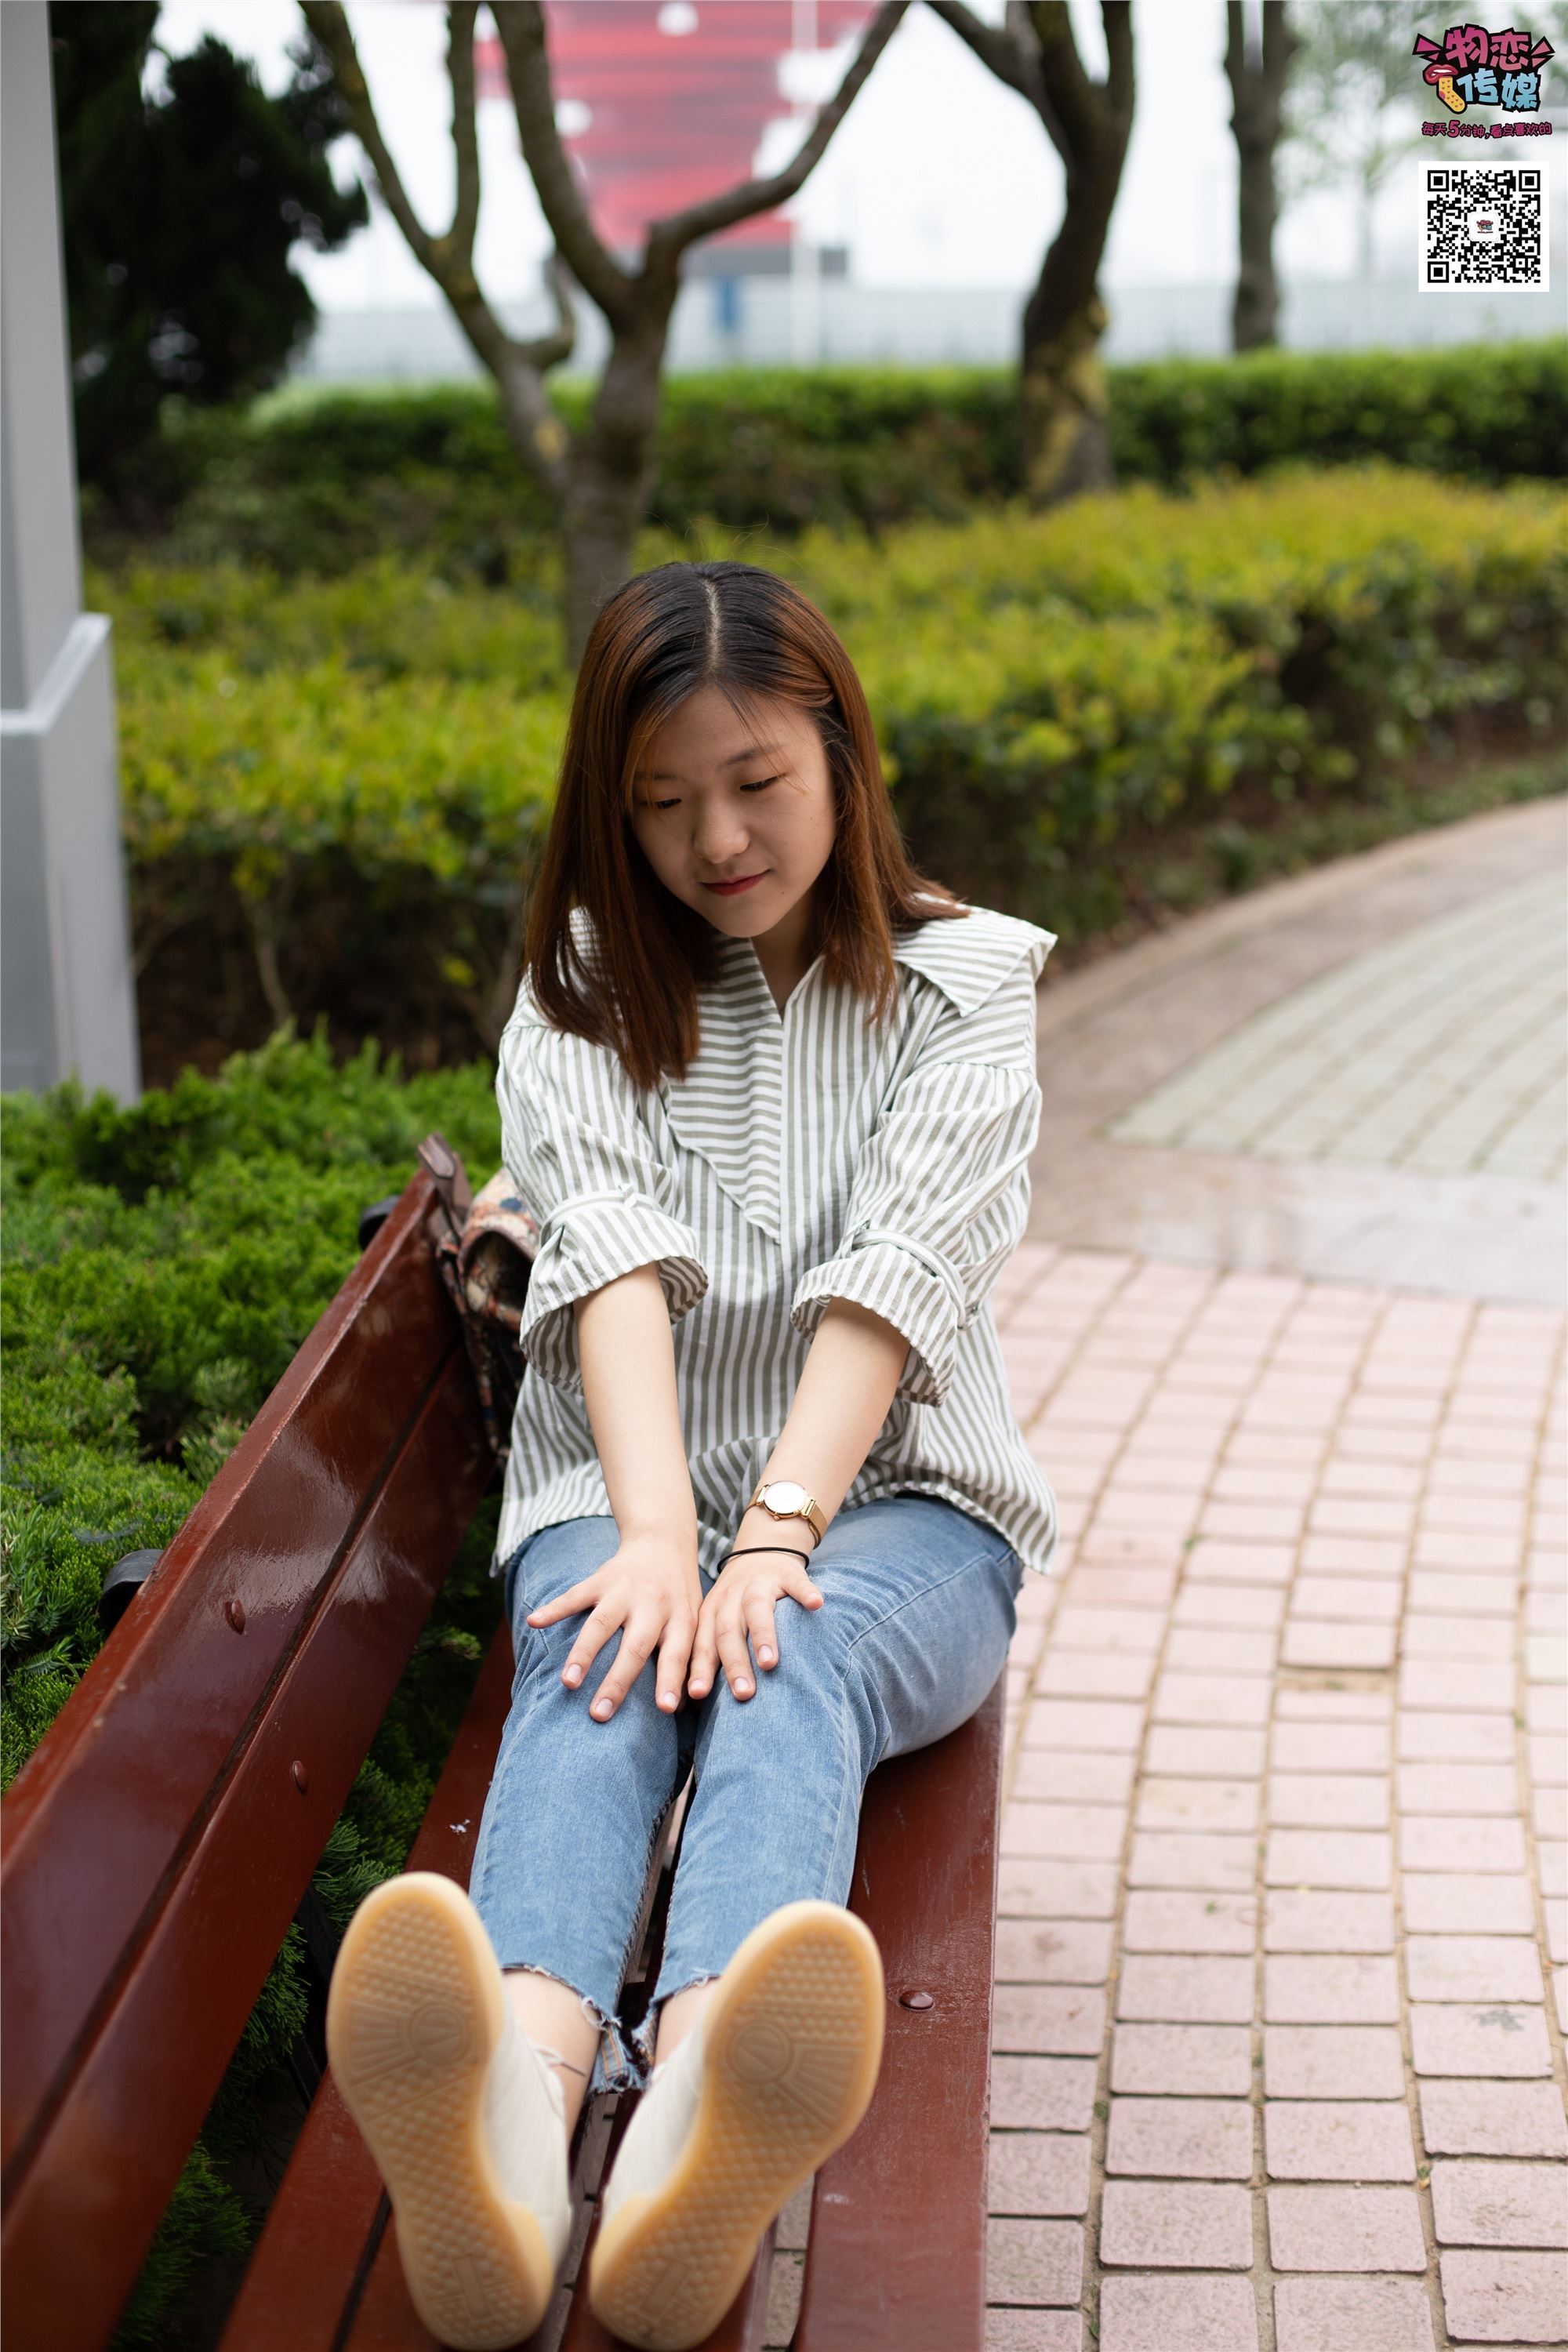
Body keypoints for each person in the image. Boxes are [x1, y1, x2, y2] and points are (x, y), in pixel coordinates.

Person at [324, 558, 1061, 2352]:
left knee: (777, 1642)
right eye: (660, 805)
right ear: (611, 808)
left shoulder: (963, 990)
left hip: (898, 1511)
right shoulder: (582, 989)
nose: (716, 839)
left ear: (842, 752)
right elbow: (613, 1259)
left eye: (756, 785)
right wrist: (658, 1528)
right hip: (624, 1482)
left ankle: (692, 2114)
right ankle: (510, 2111)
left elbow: (895, 1286)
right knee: (603, 1651)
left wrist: (772, 1528)